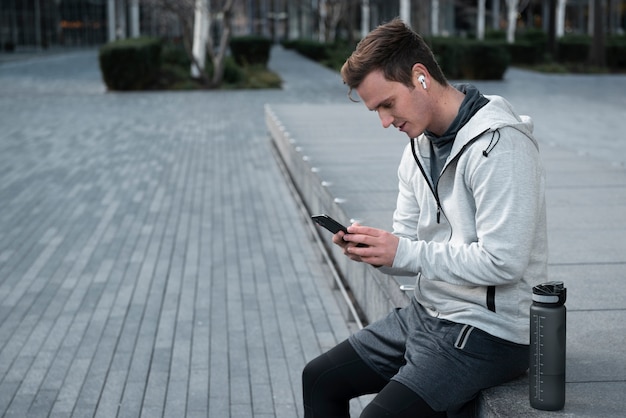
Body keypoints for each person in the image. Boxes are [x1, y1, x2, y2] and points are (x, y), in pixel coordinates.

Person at [302, 19, 548, 418]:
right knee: (319, 378)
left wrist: (404, 251)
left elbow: (505, 261)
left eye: (387, 104)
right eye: (376, 111)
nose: (384, 121)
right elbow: (408, 255)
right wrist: (376, 251)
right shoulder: (417, 149)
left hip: (490, 331)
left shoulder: (501, 147)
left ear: (420, 78)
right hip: (428, 312)